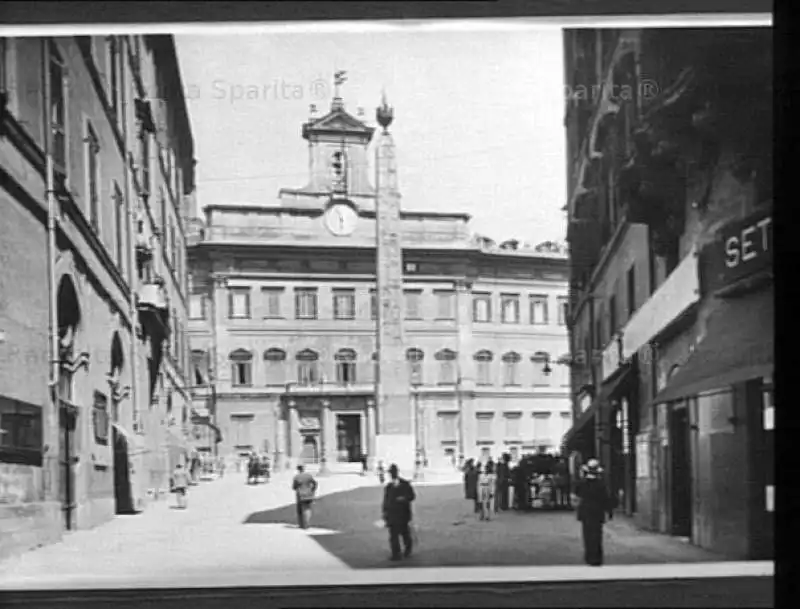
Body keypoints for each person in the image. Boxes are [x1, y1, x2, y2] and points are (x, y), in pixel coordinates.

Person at [575, 459, 616, 566]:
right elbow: (606, 499)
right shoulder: (601, 484)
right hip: (598, 511)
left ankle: (589, 556)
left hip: (585, 511)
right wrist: (609, 512)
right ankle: (597, 557)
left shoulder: (581, 483)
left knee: (587, 535)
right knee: (597, 535)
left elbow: (577, 496)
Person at [382, 464, 416, 561]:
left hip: (403, 514)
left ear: (397, 472)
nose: (392, 475)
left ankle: (408, 549)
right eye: (390, 473)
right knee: (393, 535)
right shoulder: (388, 487)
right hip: (392, 515)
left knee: (404, 533)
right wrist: (385, 513)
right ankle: (395, 554)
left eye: (393, 472)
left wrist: (404, 499)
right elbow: (386, 501)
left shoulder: (405, 484)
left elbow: (412, 496)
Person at [292, 464, 318, 529]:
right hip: (309, 493)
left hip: (300, 495)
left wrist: (297, 487)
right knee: (308, 508)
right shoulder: (308, 476)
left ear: (298, 469)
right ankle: (307, 523)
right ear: (304, 469)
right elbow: (315, 483)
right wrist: (313, 490)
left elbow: (294, 487)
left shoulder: (296, 477)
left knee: (300, 510)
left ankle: (301, 524)